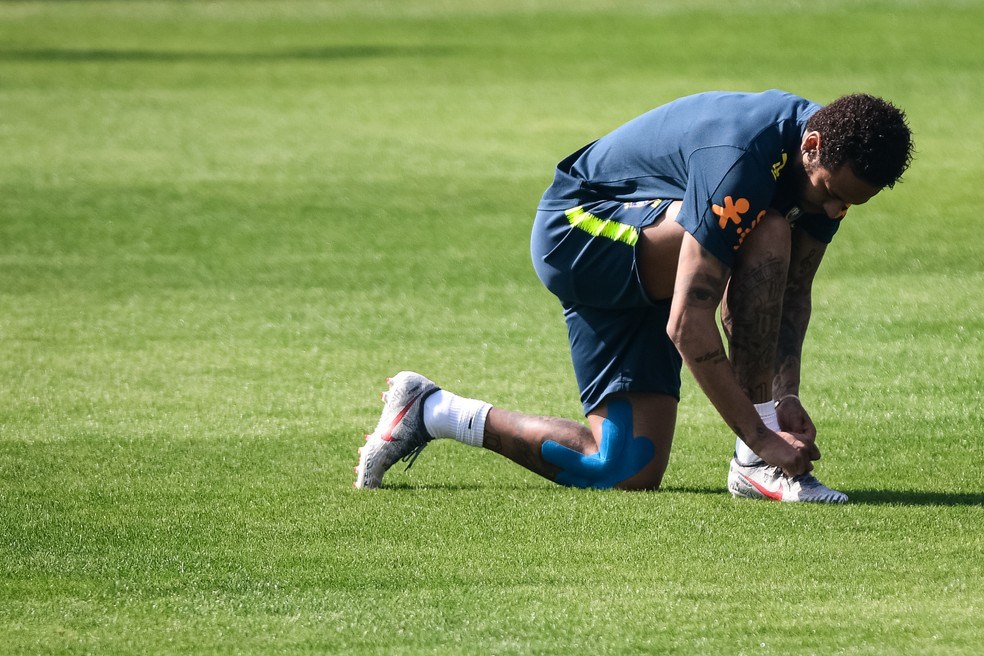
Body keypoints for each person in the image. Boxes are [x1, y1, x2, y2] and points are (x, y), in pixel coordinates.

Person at [354, 90, 913, 502]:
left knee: (624, 467)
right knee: (768, 231)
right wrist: (760, 435)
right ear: (811, 146)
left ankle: (429, 410)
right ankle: (752, 468)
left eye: (852, 206)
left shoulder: (828, 171)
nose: (836, 212)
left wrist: (785, 396)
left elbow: (790, 294)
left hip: (656, 257)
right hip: (579, 232)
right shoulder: (743, 162)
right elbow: (690, 324)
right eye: (834, 195)